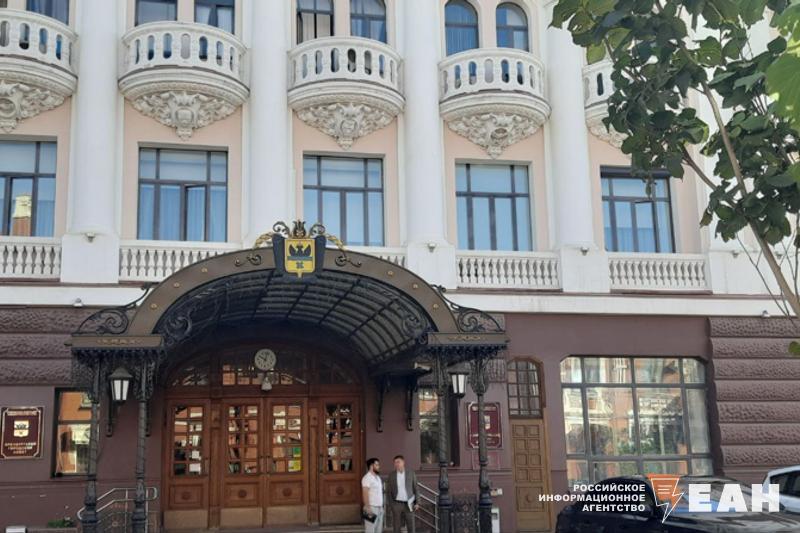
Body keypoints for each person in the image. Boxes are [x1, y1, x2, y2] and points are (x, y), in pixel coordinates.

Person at [387, 454, 419, 533]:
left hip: (409, 504)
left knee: (411, 526)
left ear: (403, 462)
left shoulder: (411, 473)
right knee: (396, 527)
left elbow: (416, 488)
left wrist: (417, 502)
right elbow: (389, 491)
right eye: (395, 462)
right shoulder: (391, 475)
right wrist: (392, 505)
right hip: (396, 504)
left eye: (398, 462)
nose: (396, 464)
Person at [361, 457, 384, 533]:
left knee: (378, 530)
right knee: (370, 530)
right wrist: (367, 507)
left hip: (379, 508)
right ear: (371, 466)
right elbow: (365, 492)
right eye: (377, 465)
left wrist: (381, 508)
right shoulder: (367, 478)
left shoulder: (378, 478)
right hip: (371, 508)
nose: (379, 466)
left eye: (378, 465)